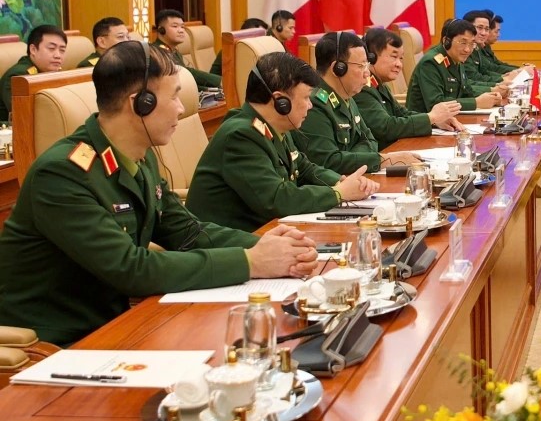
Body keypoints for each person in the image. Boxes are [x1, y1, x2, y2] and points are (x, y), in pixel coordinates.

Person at [0, 41, 317, 345]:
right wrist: (251, 261)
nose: (181, 108)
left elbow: (188, 232)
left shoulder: (140, 157)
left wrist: (272, 248)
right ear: (141, 103)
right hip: (58, 344)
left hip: (120, 326)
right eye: (175, 97)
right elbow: (130, 268)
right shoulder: (61, 174)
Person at [188, 52, 378, 232]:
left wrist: (340, 181)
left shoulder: (273, 126)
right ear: (281, 102)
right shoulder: (240, 136)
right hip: (237, 241)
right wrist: (338, 193)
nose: (310, 105)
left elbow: (304, 168)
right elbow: (276, 199)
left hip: (266, 232)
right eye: (306, 97)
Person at [294, 31, 416, 174]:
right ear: (338, 68)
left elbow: (370, 140)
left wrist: (351, 157)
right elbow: (328, 161)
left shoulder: (347, 96)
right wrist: (384, 160)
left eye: (367, 65)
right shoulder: (314, 104)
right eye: (361, 66)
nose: (367, 73)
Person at [355, 27, 463, 143]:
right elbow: (385, 127)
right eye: (394, 56)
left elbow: (402, 113)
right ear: (371, 57)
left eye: (401, 58)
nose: (399, 64)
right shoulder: (362, 88)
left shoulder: (380, 84)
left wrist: (435, 121)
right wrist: (431, 117)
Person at [407, 19, 505, 114]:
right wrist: (476, 103)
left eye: (472, 44)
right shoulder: (431, 63)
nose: (467, 50)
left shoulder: (456, 58)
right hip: (426, 122)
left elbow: (466, 90)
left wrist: (491, 95)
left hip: (450, 119)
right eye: (463, 43)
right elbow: (436, 103)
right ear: (446, 41)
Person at [0, 25, 67, 121]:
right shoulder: (19, 76)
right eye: (51, 48)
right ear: (33, 50)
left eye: (62, 50)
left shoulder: (53, 72)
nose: (58, 55)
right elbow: (24, 115)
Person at [152, 9, 223, 88]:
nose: (181, 30)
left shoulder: (174, 50)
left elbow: (187, 81)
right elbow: (183, 73)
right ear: (161, 30)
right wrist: (219, 81)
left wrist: (210, 90)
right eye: (175, 26)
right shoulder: (157, 52)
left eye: (182, 27)